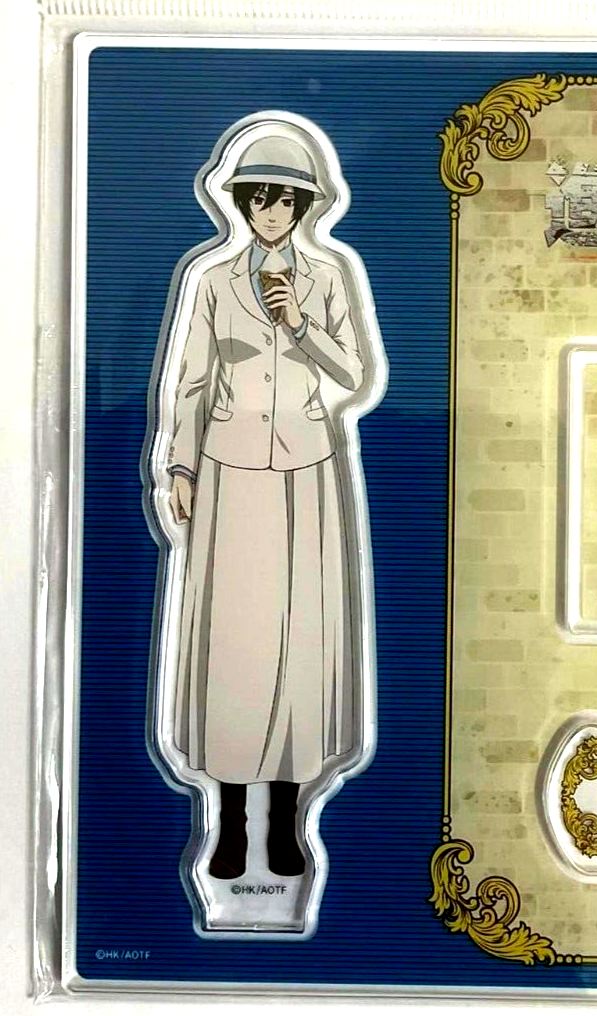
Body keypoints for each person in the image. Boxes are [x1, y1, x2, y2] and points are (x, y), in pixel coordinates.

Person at [165, 133, 371, 879]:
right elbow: (191, 380)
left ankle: (286, 822)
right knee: (233, 640)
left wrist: (298, 325)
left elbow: (355, 374)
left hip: (307, 469)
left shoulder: (328, 277)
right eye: (259, 199)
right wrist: (180, 466)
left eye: (284, 199)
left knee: (298, 640)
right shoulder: (213, 281)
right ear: (243, 205)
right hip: (229, 470)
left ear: (305, 205)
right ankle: (226, 824)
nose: (272, 212)